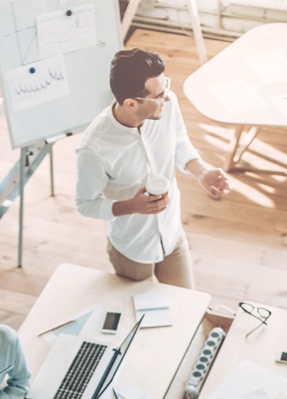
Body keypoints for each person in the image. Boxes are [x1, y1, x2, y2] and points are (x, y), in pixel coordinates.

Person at [75, 48, 231, 289]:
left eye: (165, 87)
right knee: (138, 309)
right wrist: (132, 206)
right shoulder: (93, 149)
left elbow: (179, 141)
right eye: (158, 95)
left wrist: (202, 172)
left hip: (172, 234)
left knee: (186, 302)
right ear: (130, 103)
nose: (166, 98)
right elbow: (85, 204)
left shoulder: (167, 105)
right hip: (132, 248)